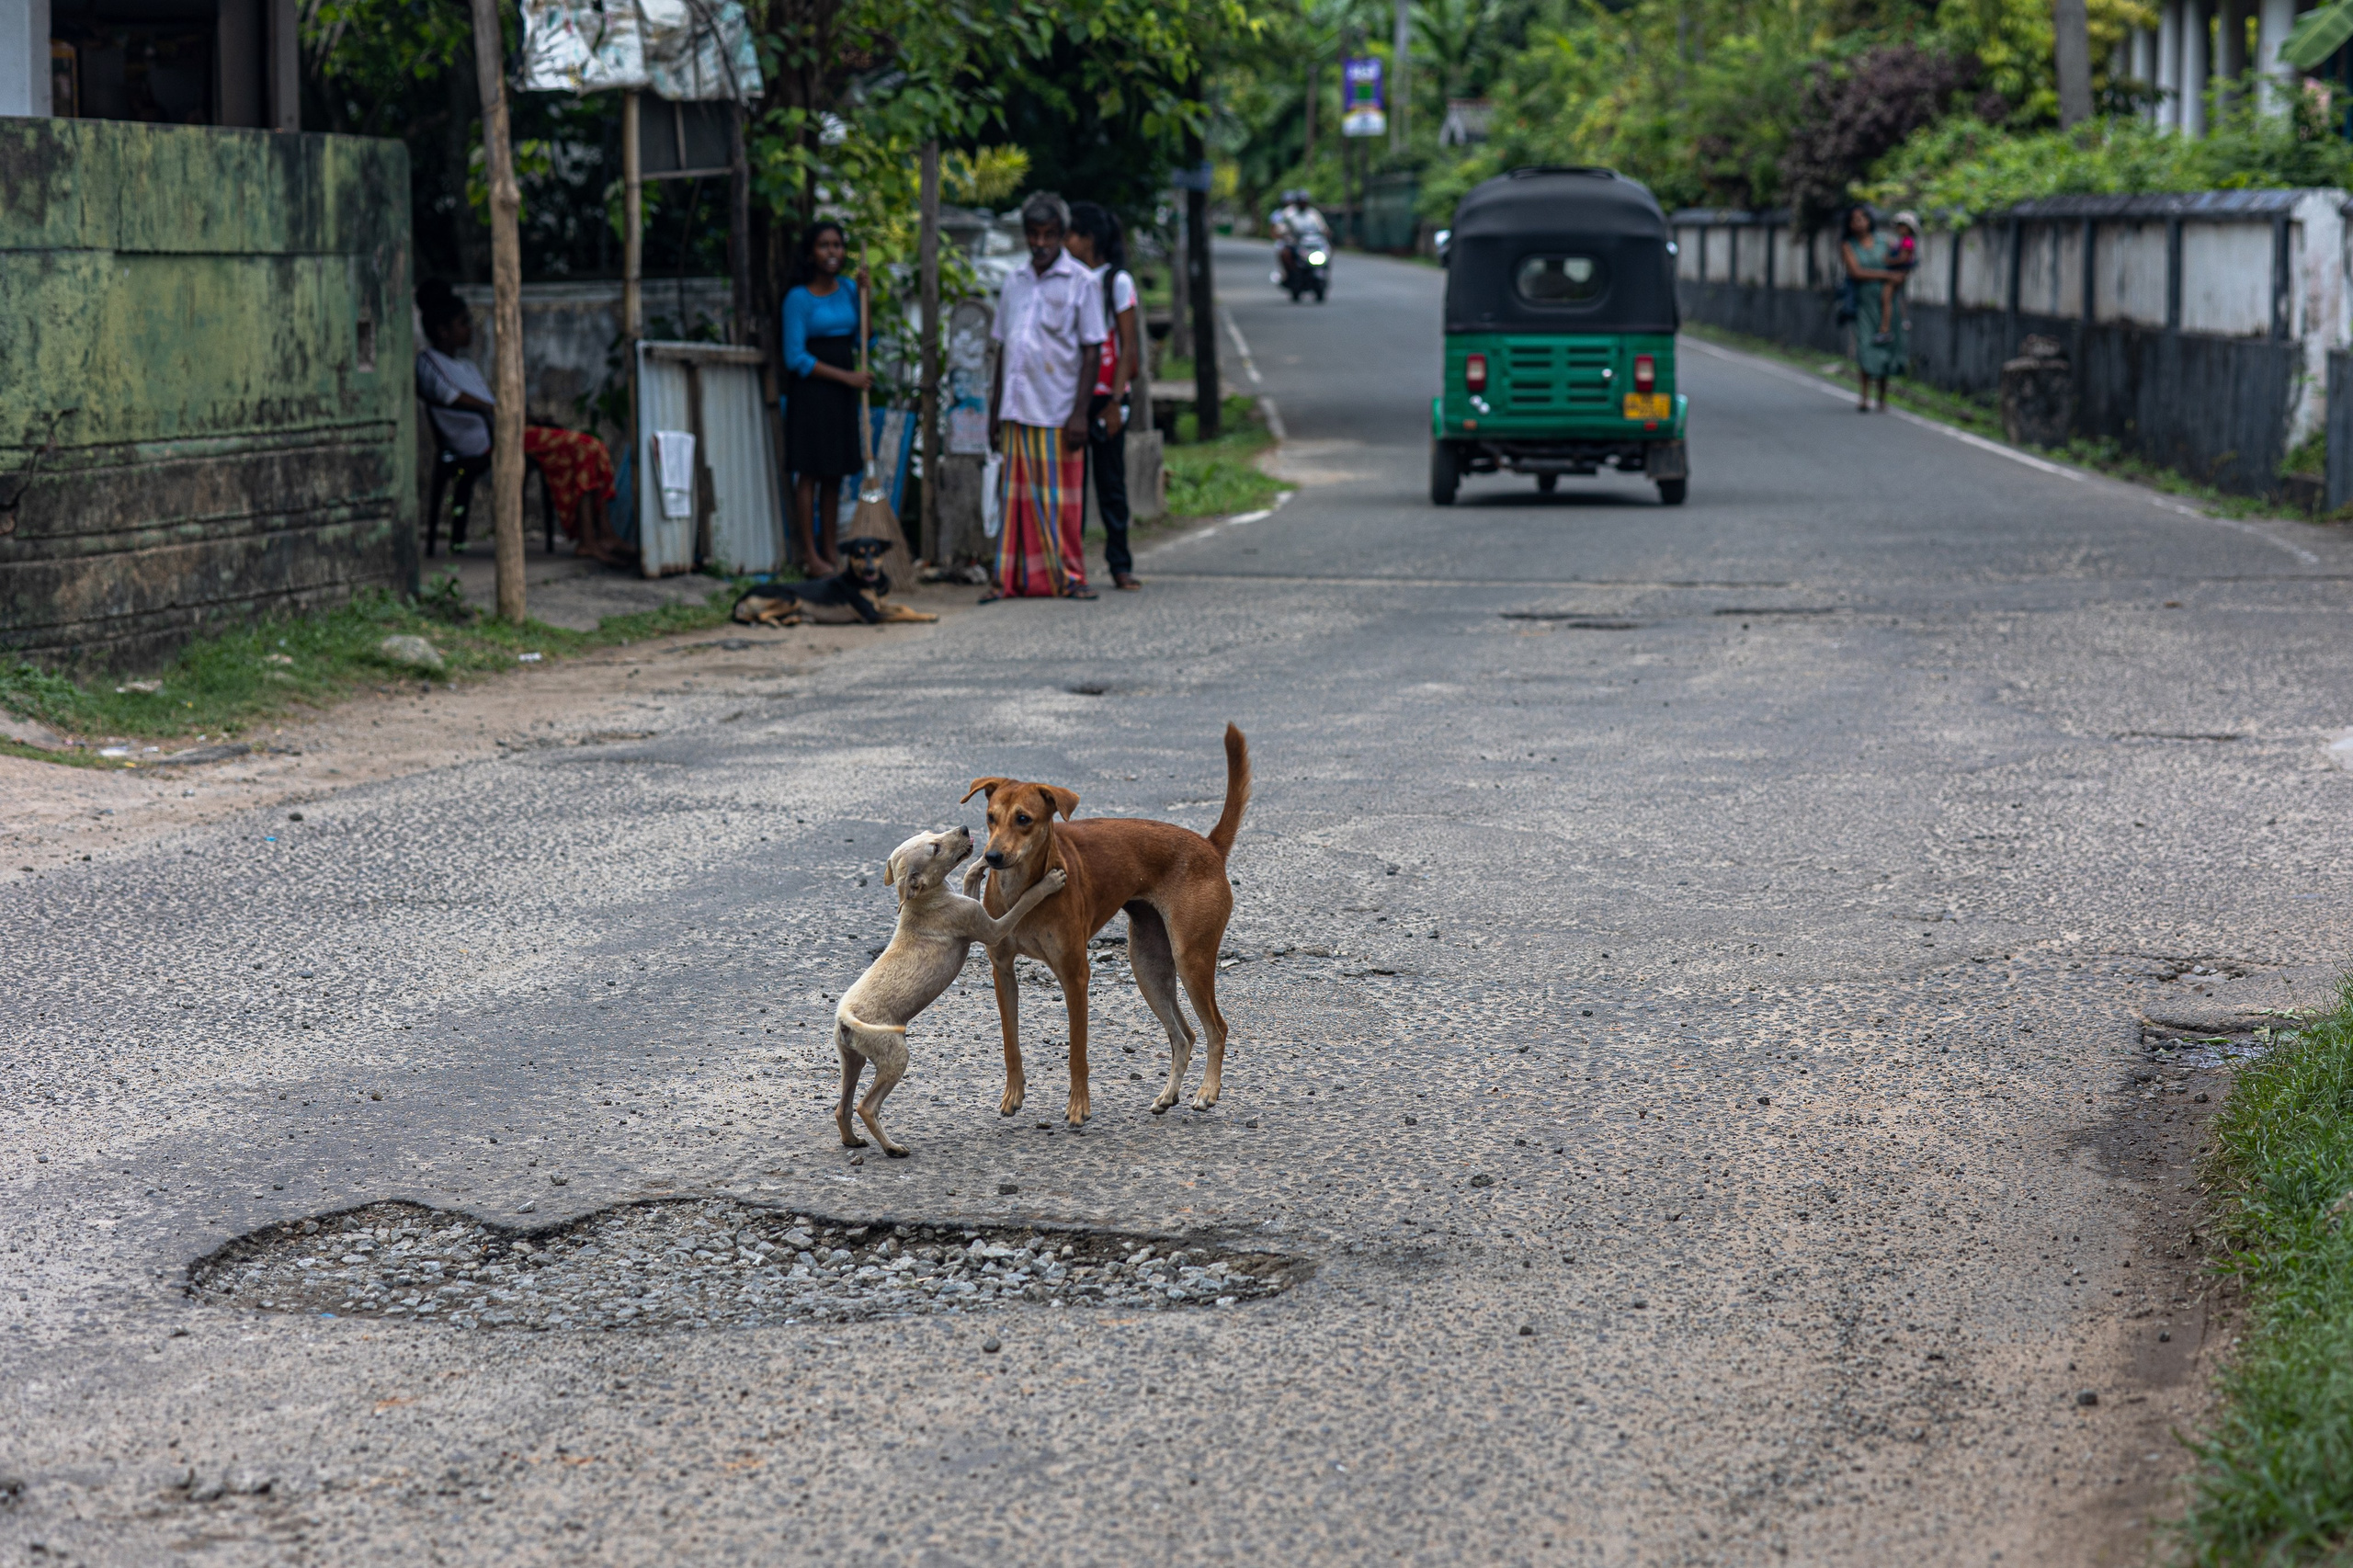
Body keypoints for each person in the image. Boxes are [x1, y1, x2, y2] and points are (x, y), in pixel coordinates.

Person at [414, 279, 626, 563]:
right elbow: (455, 399)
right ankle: (588, 540)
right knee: (583, 447)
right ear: (443, 331)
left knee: (592, 447)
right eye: (463, 323)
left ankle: (604, 534)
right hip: (483, 441)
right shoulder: (429, 362)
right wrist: (504, 412)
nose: (470, 330)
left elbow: (489, 405)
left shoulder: (466, 366)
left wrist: (523, 417)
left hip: (504, 430)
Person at [985, 191, 1105, 601]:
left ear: (1061, 235)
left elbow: (1093, 349)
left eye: (1049, 235)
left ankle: (1069, 576)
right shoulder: (1013, 281)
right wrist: (993, 412)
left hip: (1057, 408)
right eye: (1033, 235)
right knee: (1015, 502)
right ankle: (1013, 578)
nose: (1040, 243)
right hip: (1017, 409)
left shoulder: (1083, 283)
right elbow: (1003, 348)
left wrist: (1080, 413)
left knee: (1060, 504)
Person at [781, 221, 872, 576]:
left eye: (837, 245)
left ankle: (831, 552)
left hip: (843, 395)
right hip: (814, 391)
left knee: (835, 473)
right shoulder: (798, 299)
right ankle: (810, 555)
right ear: (810, 253)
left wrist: (866, 297)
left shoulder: (850, 289)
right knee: (811, 472)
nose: (832, 252)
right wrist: (846, 377)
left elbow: (866, 339)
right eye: (823, 245)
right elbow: (795, 357)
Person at [1063, 201, 1142, 592]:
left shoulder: (1117, 282)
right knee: (1072, 485)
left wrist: (1116, 401)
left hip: (1108, 394)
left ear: (1088, 239)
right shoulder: (1070, 277)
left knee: (1111, 482)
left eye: (1070, 233)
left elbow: (1128, 345)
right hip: (1075, 393)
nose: (1065, 242)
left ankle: (1120, 563)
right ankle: (1072, 566)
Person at [1839, 205, 1908, 412]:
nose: (1859, 223)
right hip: (1864, 302)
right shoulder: (1848, 245)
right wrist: (1886, 275)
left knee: (1886, 345)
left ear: (1869, 220)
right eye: (1855, 219)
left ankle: (1882, 398)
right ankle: (1864, 396)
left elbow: (1900, 263)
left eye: (1863, 218)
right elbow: (1856, 272)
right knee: (1865, 345)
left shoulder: (1884, 242)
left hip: (1887, 301)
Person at [1876, 210, 1921, 347]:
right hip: (1897, 273)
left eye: (1903, 226)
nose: (1900, 229)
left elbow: (1903, 258)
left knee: (1886, 298)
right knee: (1894, 298)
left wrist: (1889, 261)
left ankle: (1885, 329)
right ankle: (1902, 320)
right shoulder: (1902, 241)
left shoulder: (1907, 241)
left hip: (1897, 273)